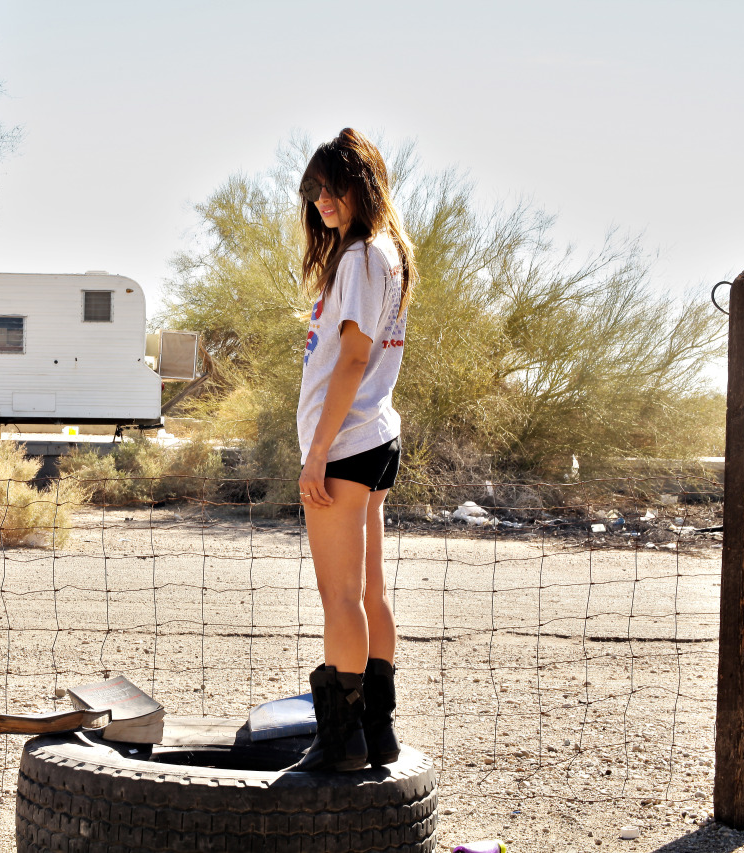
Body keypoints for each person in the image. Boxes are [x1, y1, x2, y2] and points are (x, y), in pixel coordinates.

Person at [287, 128, 416, 772]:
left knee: (339, 595)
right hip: (373, 435)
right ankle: (378, 732)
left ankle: (342, 741)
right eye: (315, 188)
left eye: (335, 186)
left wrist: (317, 452)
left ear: (363, 185)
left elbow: (354, 359)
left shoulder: (365, 257)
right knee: (368, 592)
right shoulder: (385, 253)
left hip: (347, 442)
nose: (323, 200)